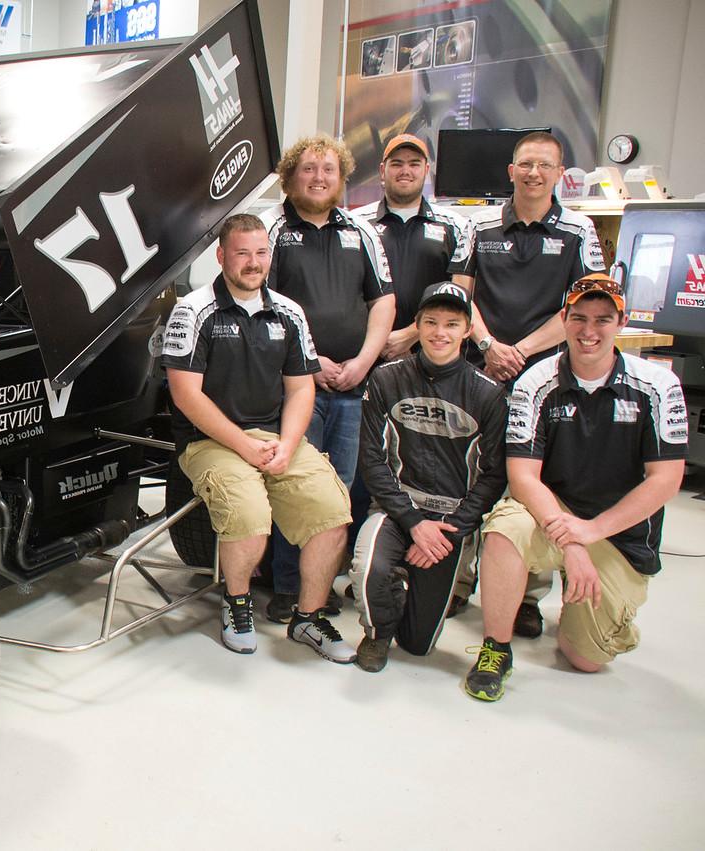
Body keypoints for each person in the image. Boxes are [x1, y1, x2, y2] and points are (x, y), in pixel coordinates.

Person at [465, 273, 687, 701]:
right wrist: (571, 539)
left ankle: (595, 609)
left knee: (584, 658)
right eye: (579, 318)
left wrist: (592, 532)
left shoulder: (657, 386)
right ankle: (496, 647)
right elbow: (524, 476)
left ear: (620, 323)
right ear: (564, 319)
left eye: (603, 320)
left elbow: (666, 480)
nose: (589, 331)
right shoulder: (536, 382)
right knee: (503, 531)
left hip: (617, 531)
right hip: (551, 512)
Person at [164, 213, 354, 662]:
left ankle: (308, 618)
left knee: (331, 514)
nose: (253, 263)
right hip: (209, 441)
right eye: (242, 253)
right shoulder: (193, 310)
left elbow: (301, 387)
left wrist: (288, 444)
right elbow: (185, 395)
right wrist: (244, 445)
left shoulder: (289, 312)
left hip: (276, 438)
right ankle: (238, 604)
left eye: (261, 253)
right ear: (222, 256)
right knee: (249, 514)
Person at [452, 130, 606, 631]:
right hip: (480, 368)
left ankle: (526, 597)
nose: (534, 173)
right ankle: (455, 578)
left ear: (560, 173)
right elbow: (461, 295)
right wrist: (488, 346)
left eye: (545, 165)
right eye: (525, 164)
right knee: (467, 473)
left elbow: (584, 307)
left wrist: (522, 351)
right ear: (510, 171)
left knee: (535, 481)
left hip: (545, 378)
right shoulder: (479, 225)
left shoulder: (579, 231)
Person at [264, 134, 394, 624]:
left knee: (341, 489)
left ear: (342, 179)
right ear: (290, 176)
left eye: (328, 170)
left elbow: (383, 300)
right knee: (293, 484)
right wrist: (311, 361)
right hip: (297, 384)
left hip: (356, 384)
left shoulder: (361, 231)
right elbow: (265, 304)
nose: (318, 178)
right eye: (308, 169)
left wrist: (364, 359)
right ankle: (287, 585)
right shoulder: (274, 232)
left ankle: (320, 585)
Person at [349, 282, 506, 672]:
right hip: (396, 510)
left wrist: (450, 528)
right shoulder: (385, 379)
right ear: (416, 325)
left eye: (452, 324)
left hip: (449, 524)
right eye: (431, 322)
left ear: (468, 330)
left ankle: (407, 596)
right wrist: (414, 523)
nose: (440, 333)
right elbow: (371, 460)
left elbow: (494, 475)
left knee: (418, 646)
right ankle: (378, 632)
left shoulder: (488, 394)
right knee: (368, 570)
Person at [351, 134, 473, 362]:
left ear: (426, 169)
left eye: (414, 164)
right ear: (382, 170)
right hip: (365, 356)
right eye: (396, 163)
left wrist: (411, 335)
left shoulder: (455, 225)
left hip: (431, 354)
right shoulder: (356, 223)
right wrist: (378, 341)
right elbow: (348, 289)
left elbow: (460, 293)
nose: (405, 170)